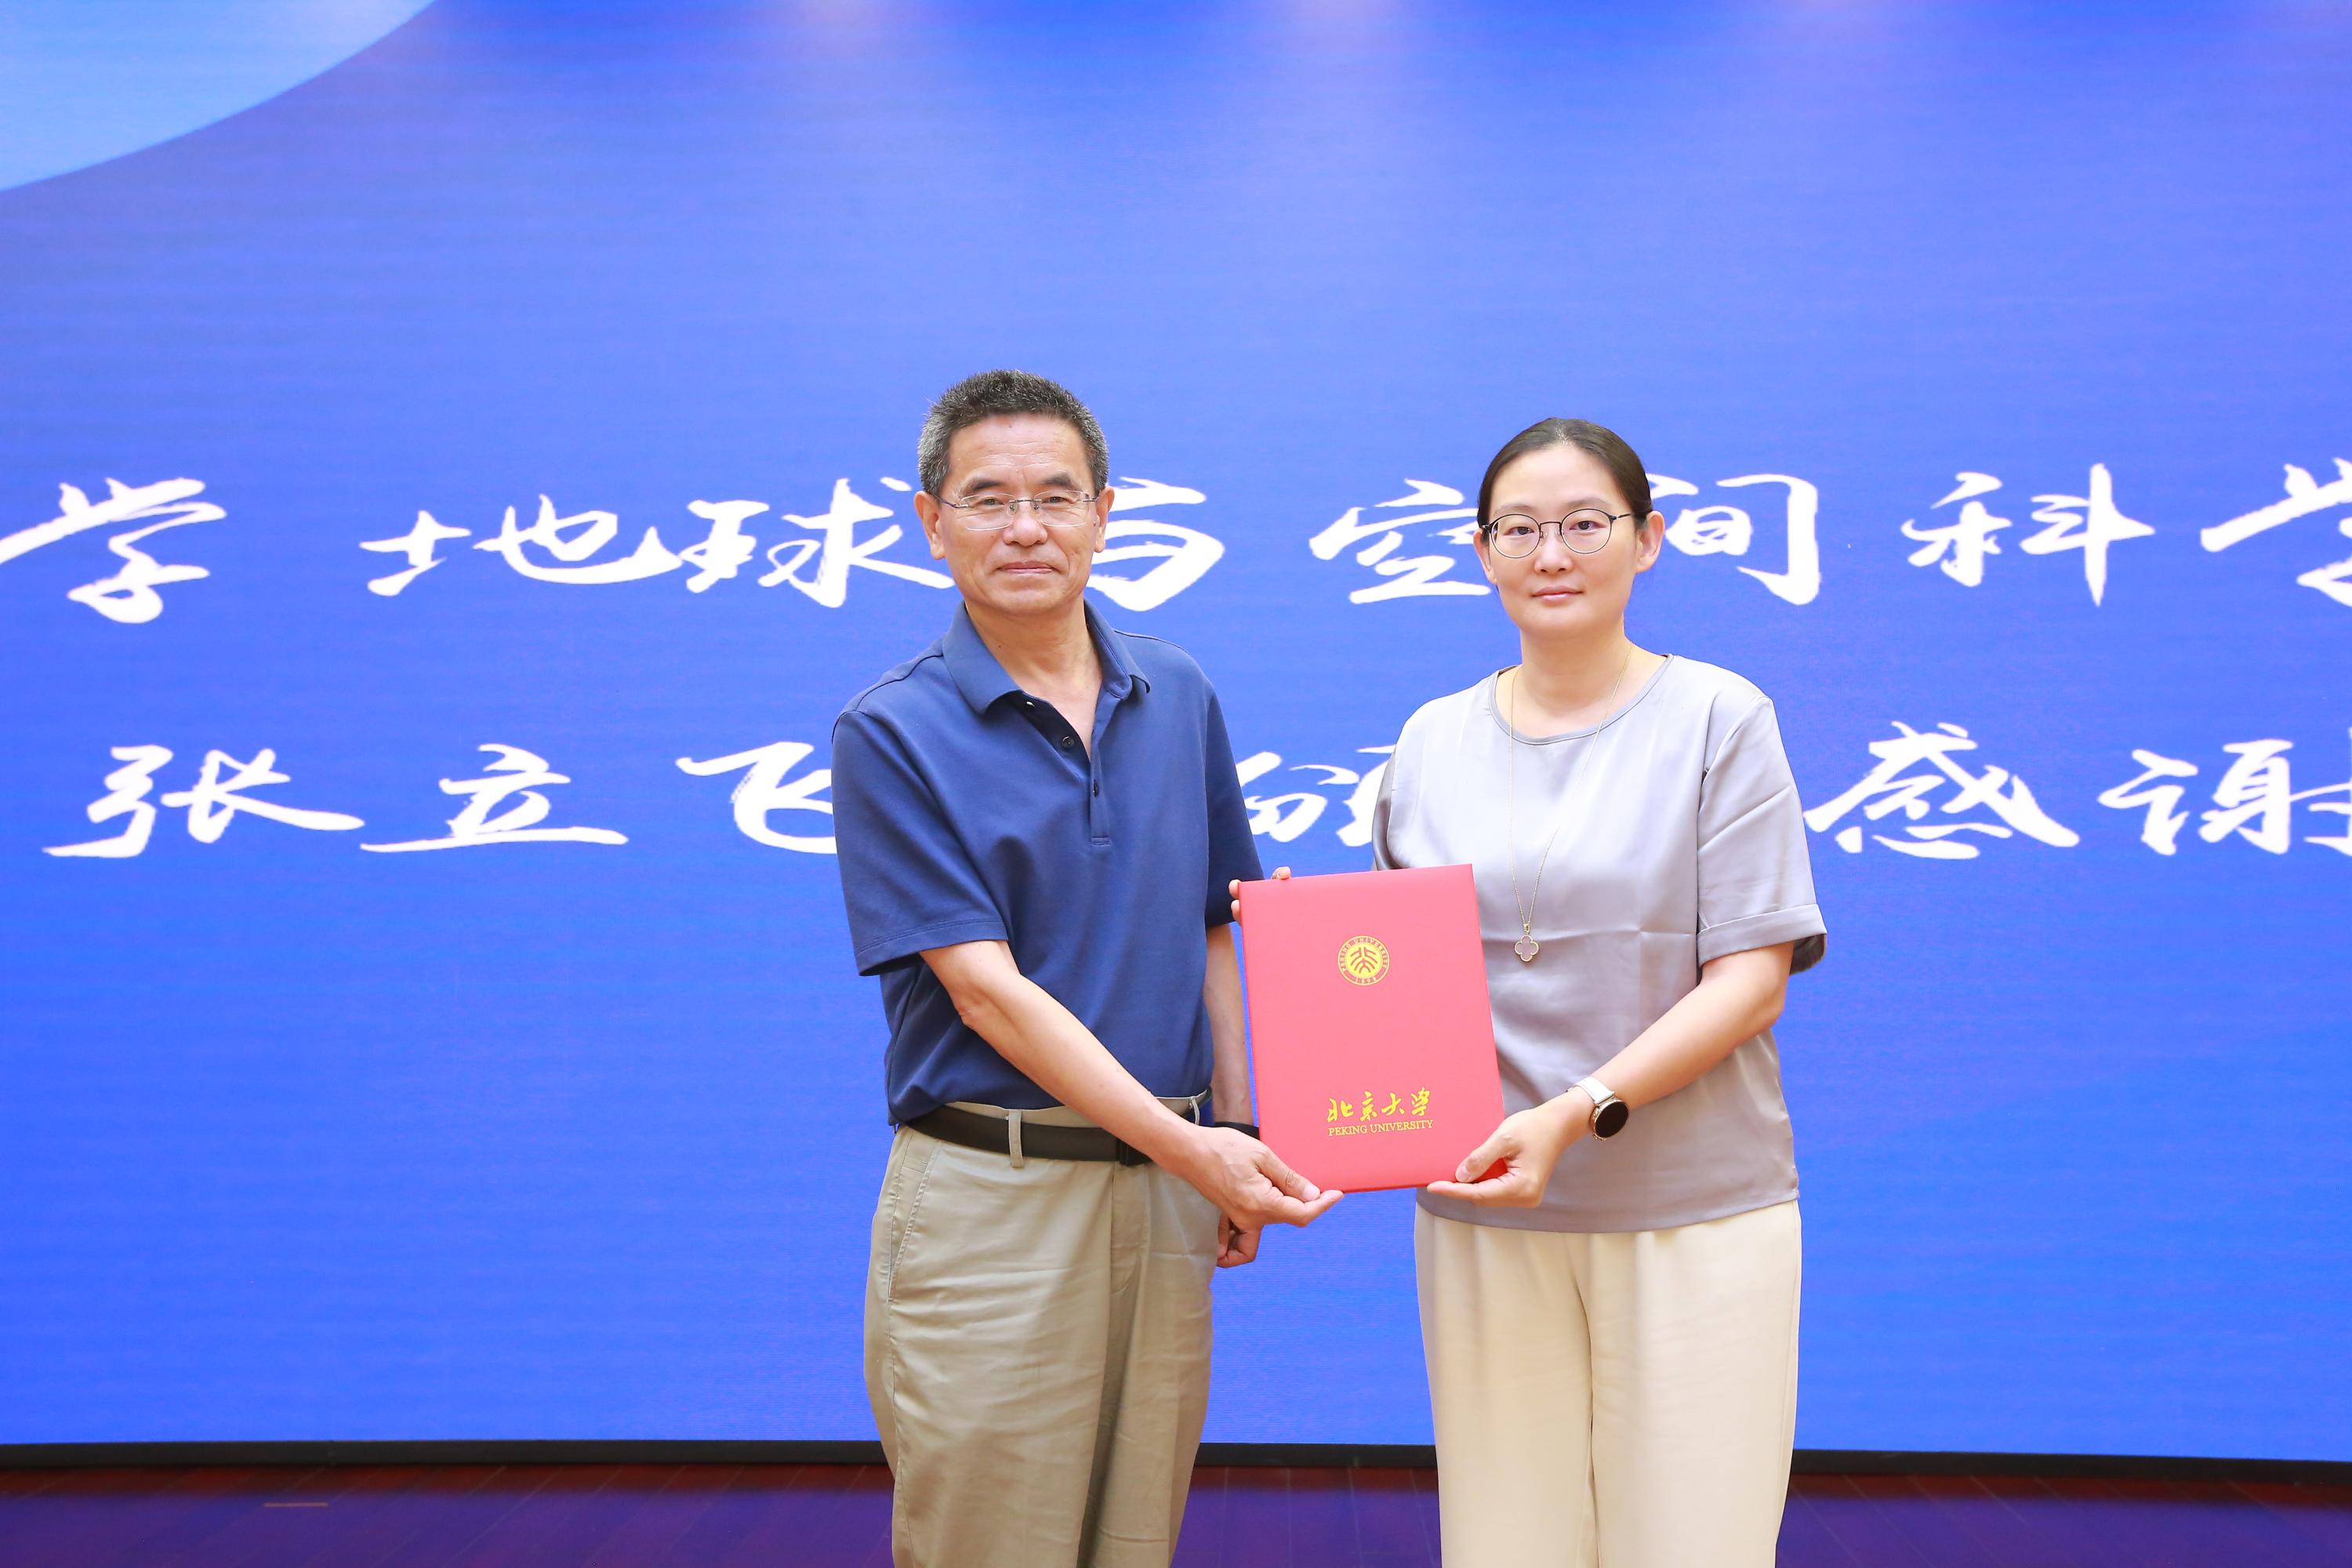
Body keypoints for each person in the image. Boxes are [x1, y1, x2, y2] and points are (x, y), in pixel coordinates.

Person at [828, 368, 1342, 1568]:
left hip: (1165, 1192)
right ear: (931, 521)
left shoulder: (1178, 691)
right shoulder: (890, 731)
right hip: (995, 1196)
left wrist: (1236, 1127)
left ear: (1105, 515)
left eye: (1056, 497)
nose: (1026, 527)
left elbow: (1214, 924)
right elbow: (986, 994)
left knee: (1132, 1541)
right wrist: (1197, 1150)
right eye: (988, 498)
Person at [1375, 417, 1826, 1565]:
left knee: (1693, 1542)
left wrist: (1575, 1112)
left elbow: (1752, 982)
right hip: (1487, 1207)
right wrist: (1316, 949)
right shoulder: (1429, 740)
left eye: (1586, 523)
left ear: (1648, 539)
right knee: (1506, 1540)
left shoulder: (1721, 717)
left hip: (1694, 1213)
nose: (1552, 554)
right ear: (1482, 550)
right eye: (1519, 528)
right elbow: (1395, 978)